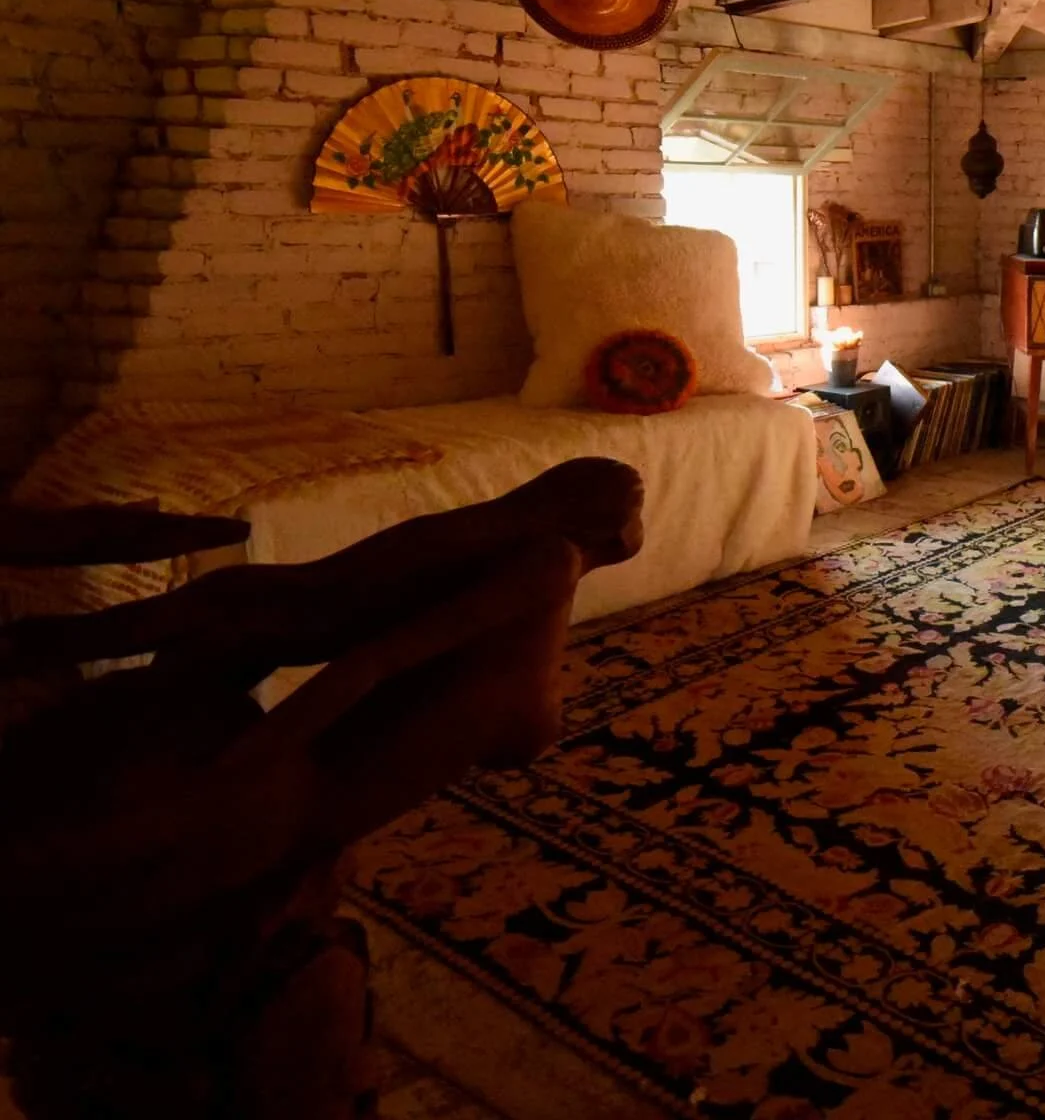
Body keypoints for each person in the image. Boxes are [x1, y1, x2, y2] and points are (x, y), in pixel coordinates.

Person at [0, 459, 643, 1120]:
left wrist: (273, 738)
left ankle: (80, 641)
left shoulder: (537, 569)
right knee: (266, 611)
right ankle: (83, 642)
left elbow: (367, 650)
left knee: (267, 610)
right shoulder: (539, 570)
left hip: (205, 794)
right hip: (179, 819)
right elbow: (372, 643)